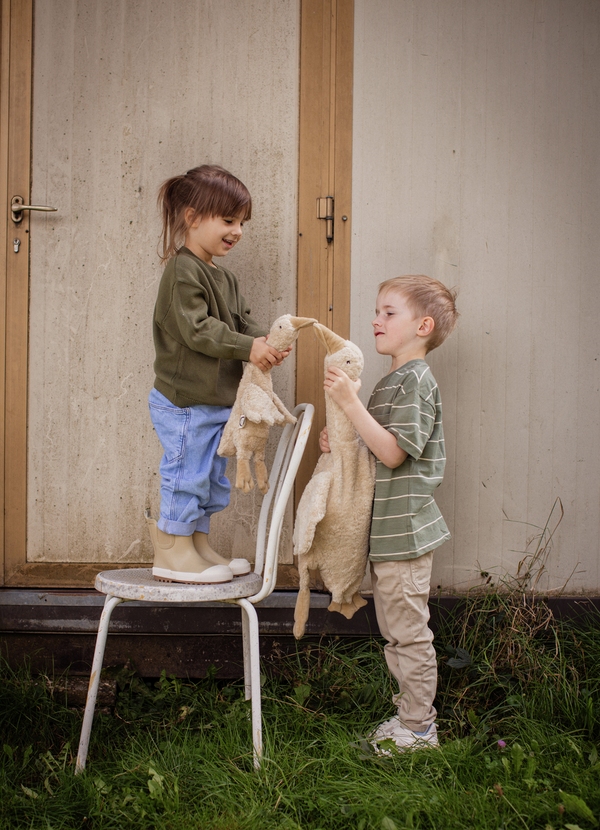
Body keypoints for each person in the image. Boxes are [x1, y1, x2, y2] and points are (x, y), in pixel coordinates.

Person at [320, 274, 459, 750]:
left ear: (423, 326)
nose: (376, 320)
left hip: (406, 532)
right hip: (389, 534)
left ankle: (419, 728)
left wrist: (349, 402)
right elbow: (375, 449)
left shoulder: (416, 380)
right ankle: (409, 719)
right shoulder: (391, 381)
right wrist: (343, 437)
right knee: (396, 633)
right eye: (376, 311)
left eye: (389, 313)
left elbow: (395, 454)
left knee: (408, 634)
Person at [147, 164, 290, 585]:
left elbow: (240, 322)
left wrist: (266, 340)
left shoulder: (224, 277)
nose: (238, 231)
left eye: (242, 222)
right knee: (186, 473)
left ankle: (197, 545)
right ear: (192, 218)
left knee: (209, 478)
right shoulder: (182, 271)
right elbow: (198, 329)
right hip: (185, 402)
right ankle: (171, 551)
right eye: (228, 220)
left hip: (212, 401)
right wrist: (249, 348)